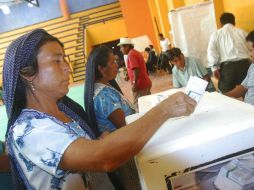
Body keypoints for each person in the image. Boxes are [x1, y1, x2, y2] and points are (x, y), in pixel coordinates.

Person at [2, 29, 196, 189]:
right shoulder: (29, 130)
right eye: (57, 60)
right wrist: (164, 109)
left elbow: (91, 152)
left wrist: (99, 143)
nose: (68, 68)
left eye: (65, 59)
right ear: (28, 73)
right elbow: (103, 157)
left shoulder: (60, 114)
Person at [85, 45, 140, 189]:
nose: (117, 65)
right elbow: (125, 126)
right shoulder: (104, 95)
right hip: (124, 153)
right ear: (101, 69)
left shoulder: (104, 87)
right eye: (113, 62)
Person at [207, 12, 251, 93]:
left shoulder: (216, 34)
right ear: (234, 22)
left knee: (226, 96)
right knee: (248, 92)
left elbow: (212, 52)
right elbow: (251, 49)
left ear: (221, 23)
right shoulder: (243, 33)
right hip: (245, 66)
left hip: (227, 69)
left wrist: (214, 69)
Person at [118, 37, 152, 111]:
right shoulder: (134, 52)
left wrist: (134, 83)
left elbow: (136, 69)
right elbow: (134, 68)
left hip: (140, 85)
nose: (120, 50)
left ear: (127, 46)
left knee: (137, 106)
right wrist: (128, 76)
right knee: (148, 102)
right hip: (145, 82)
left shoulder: (131, 54)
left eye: (121, 47)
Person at [224, 31, 254, 105]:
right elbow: (243, 87)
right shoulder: (252, 67)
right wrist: (222, 96)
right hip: (247, 110)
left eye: (250, 50)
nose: (249, 54)